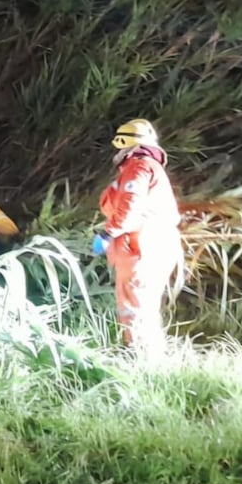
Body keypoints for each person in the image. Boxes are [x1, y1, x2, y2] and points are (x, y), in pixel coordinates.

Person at [96, 118, 182, 354]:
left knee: (135, 305)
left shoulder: (139, 168)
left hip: (142, 246)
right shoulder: (148, 167)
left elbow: (130, 206)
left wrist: (107, 233)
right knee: (145, 305)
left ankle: (139, 358)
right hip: (153, 243)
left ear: (125, 143)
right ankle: (150, 355)